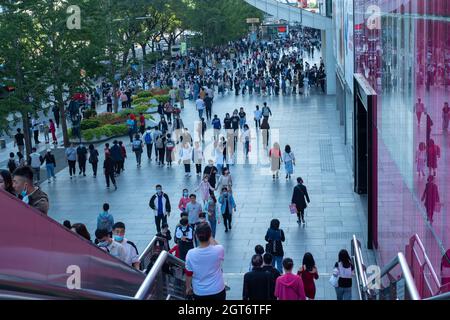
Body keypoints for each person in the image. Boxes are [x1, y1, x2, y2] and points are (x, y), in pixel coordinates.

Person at [185, 222, 226, 300]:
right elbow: (215, 244)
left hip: (200, 292)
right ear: (210, 234)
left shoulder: (191, 254)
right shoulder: (219, 250)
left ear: (196, 236)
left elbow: (189, 273)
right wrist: (210, 235)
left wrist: (188, 287)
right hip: (217, 289)